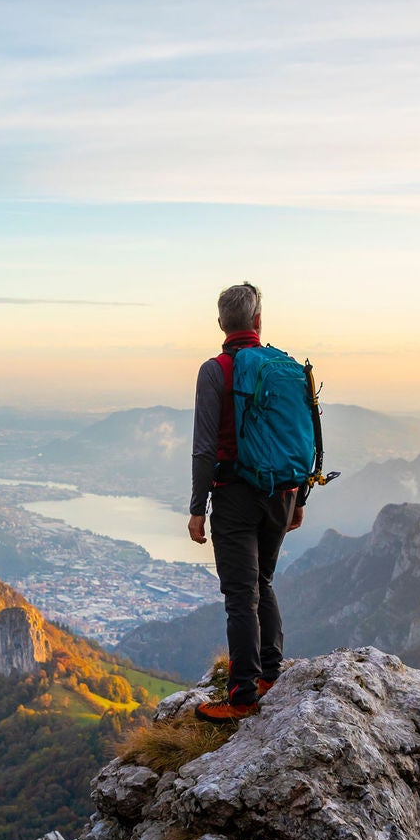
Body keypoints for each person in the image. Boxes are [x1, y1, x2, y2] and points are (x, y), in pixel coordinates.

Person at [187, 282, 306, 722]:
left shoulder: (215, 370)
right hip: (283, 492)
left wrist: (198, 507)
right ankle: (270, 672)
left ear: (221, 323)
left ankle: (242, 695)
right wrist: (298, 499)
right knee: (264, 581)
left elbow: (203, 449)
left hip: (235, 494)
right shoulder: (284, 367)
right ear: (258, 322)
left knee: (240, 594)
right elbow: (301, 437)